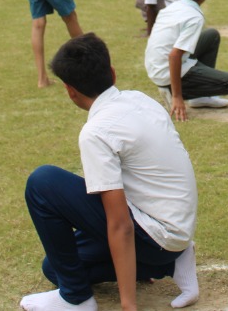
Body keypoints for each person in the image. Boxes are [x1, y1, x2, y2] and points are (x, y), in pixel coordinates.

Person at [19, 33, 200, 311]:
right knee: (54, 268)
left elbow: (120, 225)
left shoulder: (97, 132)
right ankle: (171, 263)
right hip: (174, 230)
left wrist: (128, 304)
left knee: (42, 182)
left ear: (70, 91)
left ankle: (76, 299)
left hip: (154, 234)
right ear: (112, 73)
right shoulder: (140, 99)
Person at [144, 0, 228, 120]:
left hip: (154, 65)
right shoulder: (194, 17)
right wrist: (177, 96)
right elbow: (174, 56)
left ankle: (201, 98)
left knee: (211, 35)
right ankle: (172, 90)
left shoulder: (172, 7)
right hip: (166, 71)